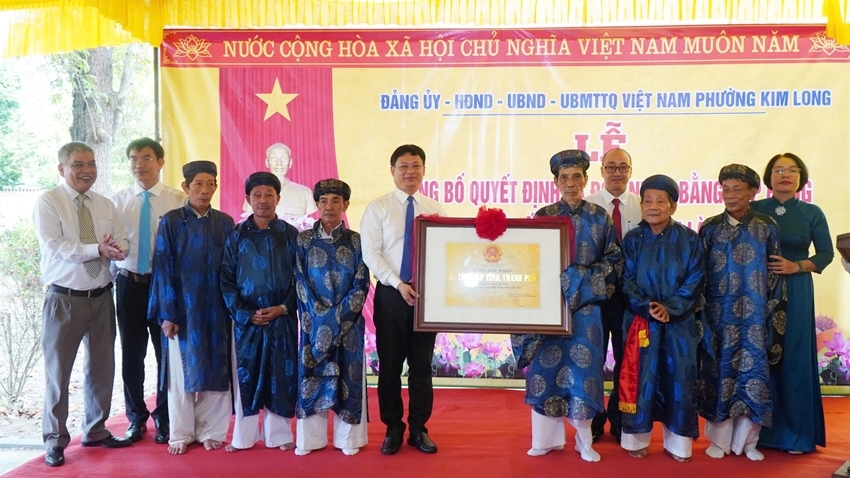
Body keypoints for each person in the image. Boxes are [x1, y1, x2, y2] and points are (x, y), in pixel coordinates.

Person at [511, 149, 622, 462]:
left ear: (586, 179)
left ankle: (585, 441)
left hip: (587, 309)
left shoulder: (599, 217)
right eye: (564, 178)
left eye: (576, 177)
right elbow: (529, 259)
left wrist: (577, 278)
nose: (570, 183)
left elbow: (614, 259)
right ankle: (546, 440)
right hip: (550, 308)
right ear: (555, 181)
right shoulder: (543, 216)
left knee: (585, 372)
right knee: (546, 372)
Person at [33, 142, 131, 467]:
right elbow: (56, 246)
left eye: (90, 163)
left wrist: (119, 250)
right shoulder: (49, 202)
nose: (86, 170)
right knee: (58, 374)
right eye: (77, 164)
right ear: (62, 168)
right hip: (65, 299)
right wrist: (97, 250)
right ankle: (55, 440)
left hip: (103, 297)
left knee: (102, 370)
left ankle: (95, 429)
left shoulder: (104, 204)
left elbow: (121, 237)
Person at [360, 144, 446, 456]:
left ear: (424, 170)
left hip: (426, 297)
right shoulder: (378, 208)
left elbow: (444, 251)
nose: (410, 171)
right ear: (393, 170)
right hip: (391, 295)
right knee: (391, 364)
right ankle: (393, 428)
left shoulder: (435, 209)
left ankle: (419, 428)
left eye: (416, 165)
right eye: (403, 166)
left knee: (422, 365)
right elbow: (371, 253)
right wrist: (398, 284)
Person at [697, 164, 786, 461]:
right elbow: (700, 276)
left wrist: (772, 316)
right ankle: (719, 441)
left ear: (752, 192)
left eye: (737, 189)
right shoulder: (709, 228)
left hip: (755, 317)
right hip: (719, 315)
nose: (730, 195)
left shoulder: (767, 226)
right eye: (726, 189)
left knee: (753, 376)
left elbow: (775, 276)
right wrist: (703, 319)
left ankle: (748, 442)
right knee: (718, 376)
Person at [147, 161, 234, 455]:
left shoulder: (225, 222)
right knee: (180, 374)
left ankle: (212, 429)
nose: (205, 190)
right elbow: (162, 268)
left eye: (210, 184)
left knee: (216, 368)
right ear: (185, 187)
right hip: (182, 311)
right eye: (198, 184)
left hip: (218, 309)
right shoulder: (170, 221)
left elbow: (232, 269)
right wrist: (167, 313)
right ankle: (181, 432)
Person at [618, 174, 705, 462]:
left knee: (678, 380)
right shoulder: (632, 240)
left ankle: (678, 444)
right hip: (641, 323)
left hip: (678, 325)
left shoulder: (690, 239)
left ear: (673, 206)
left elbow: (695, 279)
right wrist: (646, 306)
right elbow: (625, 279)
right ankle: (635, 441)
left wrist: (671, 307)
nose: (653, 206)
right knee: (641, 380)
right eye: (647, 200)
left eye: (660, 201)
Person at [753, 153, 833, 454]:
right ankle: (757, 434)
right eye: (778, 169)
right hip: (759, 290)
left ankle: (796, 436)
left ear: (801, 176)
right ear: (768, 176)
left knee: (794, 357)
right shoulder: (755, 209)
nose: (784, 174)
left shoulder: (812, 212)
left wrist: (797, 266)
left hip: (797, 289)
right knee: (761, 356)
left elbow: (825, 253)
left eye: (792, 170)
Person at [111, 137, 185, 445]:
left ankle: (165, 418)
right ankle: (136, 418)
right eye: (133, 159)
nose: (139, 164)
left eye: (146, 158)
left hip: (163, 285)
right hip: (129, 283)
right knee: (131, 355)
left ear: (160, 162)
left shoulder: (177, 199)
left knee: (165, 354)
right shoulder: (117, 201)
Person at [221, 171, 300, 453]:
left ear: (278, 198)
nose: (263, 200)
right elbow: (226, 280)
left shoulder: (291, 235)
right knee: (247, 375)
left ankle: (279, 436)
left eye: (269, 195)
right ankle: (243, 437)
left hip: (283, 319)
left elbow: (299, 280)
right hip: (247, 322)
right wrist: (245, 313)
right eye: (257, 195)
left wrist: (283, 307)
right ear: (247, 199)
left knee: (281, 374)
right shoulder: (236, 236)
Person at [294, 179, 370, 456]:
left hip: (349, 324)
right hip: (312, 323)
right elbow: (299, 282)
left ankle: (348, 440)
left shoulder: (357, 241)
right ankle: (310, 440)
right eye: (324, 201)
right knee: (312, 377)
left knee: (349, 379)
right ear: (316, 204)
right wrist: (319, 319)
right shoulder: (302, 240)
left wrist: (338, 318)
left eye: (336, 201)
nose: (329, 206)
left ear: (345, 205)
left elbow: (361, 284)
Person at [584, 147, 641, 442]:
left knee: (625, 357)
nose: (617, 173)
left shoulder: (643, 205)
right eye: (611, 167)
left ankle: (620, 416)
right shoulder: (587, 205)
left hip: (629, 297)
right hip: (594, 295)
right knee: (592, 357)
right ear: (601, 170)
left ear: (630, 171)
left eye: (623, 167)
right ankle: (594, 419)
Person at [243, 143, 317, 230]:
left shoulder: (305, 193)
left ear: (290, 163)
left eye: (284, 159)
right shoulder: (255, 194)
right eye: (273, 158)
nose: (279, 163)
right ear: (267, 162)